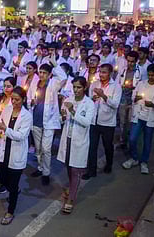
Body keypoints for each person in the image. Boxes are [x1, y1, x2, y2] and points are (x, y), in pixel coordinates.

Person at [0, 86, 32, 225]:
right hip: (4, 151)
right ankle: (13, 190)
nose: (14, 102)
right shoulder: (7, 110)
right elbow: (0, 127)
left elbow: (21, 136)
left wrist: (5, 129)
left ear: (23, 99)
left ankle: (10, 211)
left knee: (13, 184)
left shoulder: (27, 116)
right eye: (12, 99)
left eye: (17, 99)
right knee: (3, 180)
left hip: (16, 153)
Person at [122, 64, 154, 174]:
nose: (150, 77)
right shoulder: (141, 84)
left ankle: (144, 162)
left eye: (153, 75)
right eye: (149, 75)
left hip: (150, 118)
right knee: (132, 139)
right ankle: (134, 158)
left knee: (147, 141)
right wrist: (136, 98)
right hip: (138, 116)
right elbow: (134, 96)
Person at [58, 77, 95, 214]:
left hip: (79, 141)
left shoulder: (89, 104)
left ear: (84, 88)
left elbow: (86, 122)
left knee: (75, 170)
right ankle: (71, 188)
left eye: (79, 87)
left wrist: (73, 111)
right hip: (67, 138)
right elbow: (62, 119)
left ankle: (71, 199)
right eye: (74, 87)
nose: (76, 90)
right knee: (68, 165)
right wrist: (62, 116)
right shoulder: (68, 100)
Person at [29, 56, 66, 184]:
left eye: (45, 73)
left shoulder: (54, 84)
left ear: (50, 74)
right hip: (36, 120)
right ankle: (40, 167)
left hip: (49, 121)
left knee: (46, 148)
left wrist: (54, 64)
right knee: (38, 148)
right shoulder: (34, 83)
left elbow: (63, 77)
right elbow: (29, 98)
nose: (42, 75)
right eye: (40, 72)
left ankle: (46, 172)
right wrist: (31, 102)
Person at [83, 64, 122, 180]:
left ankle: (109, 164)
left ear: (110, 73)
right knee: (92, 147)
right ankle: (91, 170)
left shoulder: (116, 87)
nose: (101, 74)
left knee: (107, 145)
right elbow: (89, 101)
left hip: (107, 122)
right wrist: (92, 99)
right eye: (100, 72)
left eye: (104, 72)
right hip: (94, 121)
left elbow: (115, 104)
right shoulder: (95, 84)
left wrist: (103, 96)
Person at [116, 51, 141, 150]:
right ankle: (123, 141)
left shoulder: (140, 72)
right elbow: (118, 82)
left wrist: (133, 87)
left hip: (134, 100)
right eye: (128, 61)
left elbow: (142, 85)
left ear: (136, 61)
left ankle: (132, 143)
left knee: (131, 122)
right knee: (122, 122)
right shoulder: (123, 70)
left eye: (132, 61)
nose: (130, 63)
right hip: (123, 99)